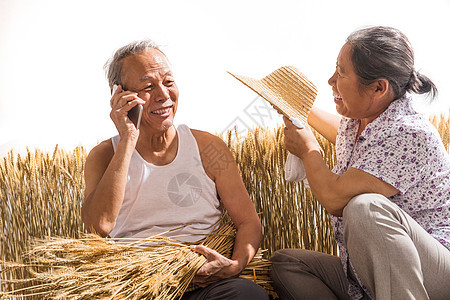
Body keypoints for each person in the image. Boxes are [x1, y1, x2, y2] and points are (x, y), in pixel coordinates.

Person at [270, 26, 450, 299]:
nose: (331, 80)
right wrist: (293, 106)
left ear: (378, 87)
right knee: (288, 263)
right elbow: (337, 131)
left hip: (434, 273)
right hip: (372, 274)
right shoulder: (360, 121)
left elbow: (334, 198)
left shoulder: (408, 133)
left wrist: (308, 150)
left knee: (365, 208)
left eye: (341, 73)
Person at [81, 39, 269, 300]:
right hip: (140, 286)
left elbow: (249, 221)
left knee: (247, 295)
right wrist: (127, 140)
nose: (163, 95)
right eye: (148, 86)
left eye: (168, 82)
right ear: (120, 96)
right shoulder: (104, 156)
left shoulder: (207, 147)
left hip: (206, 283)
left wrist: (234, 266)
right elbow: (99, 225)